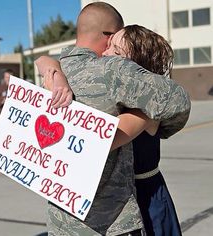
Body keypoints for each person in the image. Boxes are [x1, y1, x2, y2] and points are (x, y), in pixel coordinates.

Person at [35, 2, 190, 236]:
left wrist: (53, 70)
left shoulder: (55, 73)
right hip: (113, 221)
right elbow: (177, 100)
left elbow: (42, 59)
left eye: (116, 50)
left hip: (61, 219)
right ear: (108, 36)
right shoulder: (114, 72)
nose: (109, 52)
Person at [102, 24, 182, 236]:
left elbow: (103, 140)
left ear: (136, 65)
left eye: (116, 52)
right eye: (108, 47)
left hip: (145, 197)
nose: (105, 53)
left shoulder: (146, 107)